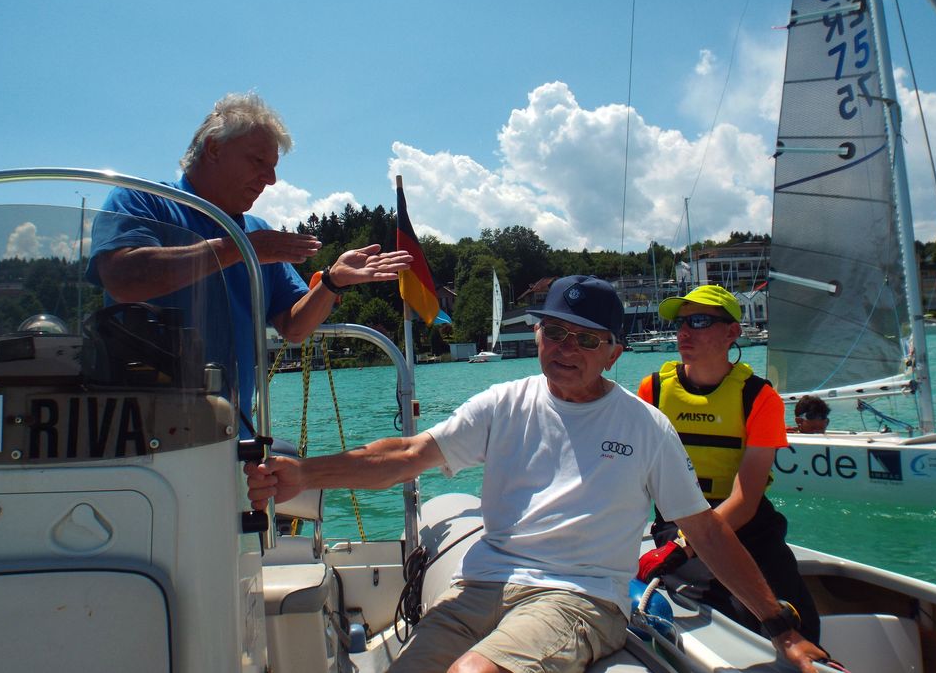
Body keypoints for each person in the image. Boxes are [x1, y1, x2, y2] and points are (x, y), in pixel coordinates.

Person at [247, 275, 828, 673]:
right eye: (554, 331)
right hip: (483, 585)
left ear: (614, 352)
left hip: (580, 597)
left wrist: (782, 627)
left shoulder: (645, 426)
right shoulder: (505, 403)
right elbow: (407, 454)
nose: (565, 348)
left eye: (585, 339)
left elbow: (705, 531)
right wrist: (305, 474)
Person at [87, 92, 412, 434]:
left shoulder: (256, 235)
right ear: (214, 148)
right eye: (258, 161)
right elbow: (123, 278)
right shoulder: (142, 200)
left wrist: (332, 282)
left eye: (273, 168)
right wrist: (241, 249)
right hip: (141, 436)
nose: (271, 180)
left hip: (233, 439)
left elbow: (295, 328)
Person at [637, 284, 820, 643]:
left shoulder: (759, 398)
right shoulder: (653, 390)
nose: (684, 331)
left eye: (699, 321)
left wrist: (685, 546)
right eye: (680, 322)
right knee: (734, 611)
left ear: (732, 332)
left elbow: (746, 499)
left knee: (796, 620)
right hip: (679, 522)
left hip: (747, 527)